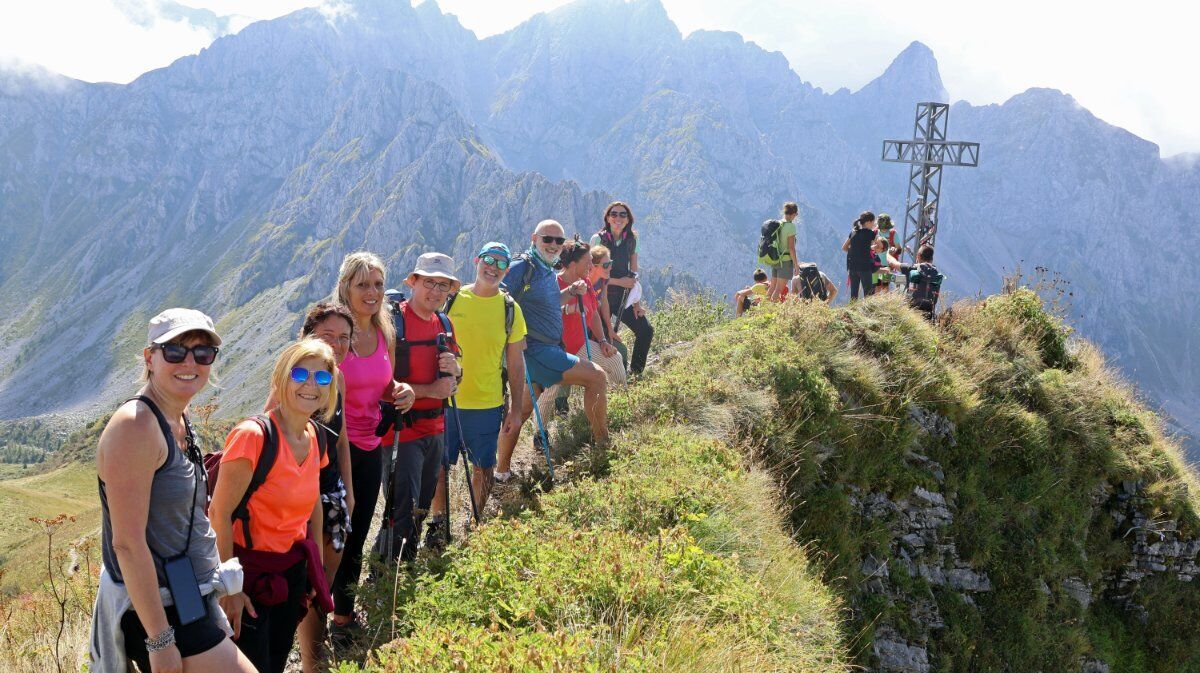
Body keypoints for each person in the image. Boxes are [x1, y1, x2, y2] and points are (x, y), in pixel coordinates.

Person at [91, 309, 256, 673]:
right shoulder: (135, 427)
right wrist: (160, 640)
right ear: (150, 358)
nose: (190, 362)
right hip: (159, 612)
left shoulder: (177, 418)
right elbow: (127, 544)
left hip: (187, 598)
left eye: (203, 353)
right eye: (175, 351)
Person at [211, 339, 336, 673]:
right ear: (282, 378)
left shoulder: (315, 436)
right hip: (248, 578)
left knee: (276, 661)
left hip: (291, 573)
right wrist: (230, 590)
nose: (311, 385)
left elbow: (314, 509)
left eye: (322, 378)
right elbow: (218, 514)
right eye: (300, 374)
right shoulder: (253, 436)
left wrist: (316, 573)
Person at [328, 252, 415, 639]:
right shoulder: (332, 335)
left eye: (378, 284)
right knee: (333, 533)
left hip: (368, 445)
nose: (373, 292)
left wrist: (403, 391)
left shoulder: (384, 332)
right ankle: (325, 614)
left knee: (358, 531)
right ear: (345, 287)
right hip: (330, 448)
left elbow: (385, 384)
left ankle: (342, 615)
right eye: (363, 284)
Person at [496, 219, 609, 482]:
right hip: (538, 351)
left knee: (521, 411)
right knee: (597, 377)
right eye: (548, 239)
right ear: (534, 238)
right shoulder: (522, 266)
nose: (554, 245)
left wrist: (570, 291)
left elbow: (547, 303)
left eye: (559, 241)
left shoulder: (545, 268)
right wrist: (514, 337)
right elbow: (498, 298)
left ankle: (500, 472)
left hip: (540, 351)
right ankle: (602, 446)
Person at [427, 242, 528, 531]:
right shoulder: (453, 298)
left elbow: (516, 363)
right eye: (488, 259)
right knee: (438, 465)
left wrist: (517, 411)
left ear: (507, 270)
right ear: (476, 260)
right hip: (444, 400)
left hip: (487, 402)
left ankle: (475, 522)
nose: (493, 267)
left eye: (500, 263)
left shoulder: (511, 310)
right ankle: (438, 522)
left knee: (483, 465)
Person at [375, 252, 464, 557]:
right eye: (429, 283)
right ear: (412, 282)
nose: (436, 292)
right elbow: (381, 387)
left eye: (443, 286)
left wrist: (456, 371)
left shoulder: (444, 322)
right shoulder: (393, 323)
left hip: (436, 429)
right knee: (401, 511)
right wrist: (432, 390)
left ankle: (396, 574)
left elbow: (454, 380)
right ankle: (389, 578)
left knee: (421, 509)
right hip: (402, 432)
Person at [287, 303, 354, 673]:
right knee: (310, 586)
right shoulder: (296, 377)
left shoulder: (336, 377)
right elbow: (274, 425)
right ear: (309, 335)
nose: (338, 344)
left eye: (345, 337)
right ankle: (313, 663)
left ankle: (316, 657)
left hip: (332, 492)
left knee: (323, 584)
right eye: (329, 336)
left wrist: (350, 489)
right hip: (302, 497)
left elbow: (340, 437)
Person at [537, 239, 625, 420]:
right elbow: (541, 315)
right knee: (547, 393)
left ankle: (621, 407)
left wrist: (602, 341)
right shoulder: (551, 284)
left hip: (579, 345)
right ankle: (540, 433)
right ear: (571, 264)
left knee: (615, 360)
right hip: (555, 351)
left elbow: (592, 314)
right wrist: (567, 310)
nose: (591, 266)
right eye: (587, 262)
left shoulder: (585, 282)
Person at [591, 201, 654, 376]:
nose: (618, 218)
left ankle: (635, 373)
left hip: (623, 297)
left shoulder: (632, 240)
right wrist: (620, 282)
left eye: (622, 214)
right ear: (608, 218)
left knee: (645, 330)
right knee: (600, 339)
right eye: (614, 214)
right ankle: (600, 378)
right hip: (600, 295)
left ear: (628, 219)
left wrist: (636, 304)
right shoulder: (598, 239)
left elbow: (633, 273)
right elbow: (592, 274)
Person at [889, 244, 945, 319]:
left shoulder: (911, 269)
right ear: (931, 259)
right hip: (929, 314)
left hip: (911, 312)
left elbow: (893, 263)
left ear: (918, 256)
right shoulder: (936, 275)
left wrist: (887, 253)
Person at [842, 210, 878, 300]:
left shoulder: (853, 232)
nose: (874, 225)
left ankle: (852, 312)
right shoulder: (871, 233)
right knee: (868, 294)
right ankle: (869, 313)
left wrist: (856, 253)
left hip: (852, 267)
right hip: (865, 267)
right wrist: (871, 249)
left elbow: (844, 248)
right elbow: (881, 245)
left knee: (854, 295)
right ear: (868, 222)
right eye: (873, 223)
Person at [767, 202, 800, 302]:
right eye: (796, 214)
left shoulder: (778, 223)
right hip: (785, 262)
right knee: (778, 290)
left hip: (775, 260)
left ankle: (763, 310)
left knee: (772, 288)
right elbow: (791, 248)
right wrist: (796, 265)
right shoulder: (791, 227)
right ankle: (771, 314)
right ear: (794, 214)